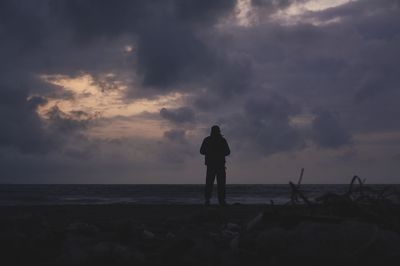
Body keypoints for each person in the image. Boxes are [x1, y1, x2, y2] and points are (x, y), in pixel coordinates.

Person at [200, 125, 231, 206]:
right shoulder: (222, 140)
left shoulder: (207, 140)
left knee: (210, 183)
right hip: (219, 165)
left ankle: (208, 200)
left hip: (212, 165)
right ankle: (221, 200)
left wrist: (210, 152)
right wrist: (219, 152)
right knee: (220, 184)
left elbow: (202, 151)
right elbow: (227, 152)